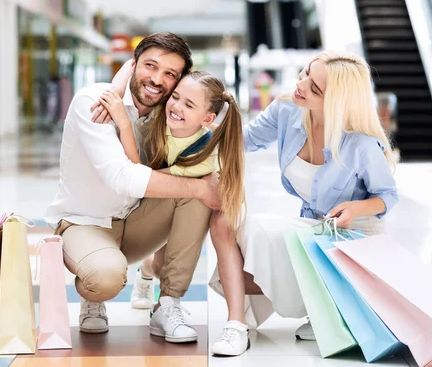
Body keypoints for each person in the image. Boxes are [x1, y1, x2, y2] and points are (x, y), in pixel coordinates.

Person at [207, 50, 399, 356]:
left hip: (355, 236)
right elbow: (243, 140)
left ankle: (335, 309)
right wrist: (191, 129)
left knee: (254, 229)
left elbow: (387, 196)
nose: (302, 84)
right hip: (316, 230)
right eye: (307, 72)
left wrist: (355, 208)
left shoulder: (360, 143)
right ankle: (239, 324)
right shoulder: (287, 110)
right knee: (229, 224)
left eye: (315, 88)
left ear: (336, 102)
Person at [44, 32, 221, 344]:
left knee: (196, 193)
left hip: (137, 221)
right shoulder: (94, 101)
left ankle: (168, 304)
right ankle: (93, 296)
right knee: (105, 278)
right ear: (133, 64)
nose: (157, 79)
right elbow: (122, 176)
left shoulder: (168, 112)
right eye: (150, 66)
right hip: (85, 223)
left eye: (170, 74)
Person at [97, 70, 245, 313]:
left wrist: (123, 122)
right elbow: (135, 64)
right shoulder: (156, 120)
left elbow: (142, 175)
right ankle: (147, 273)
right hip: (130, 204)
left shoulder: (205, 155)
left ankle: (159, 291)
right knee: (160, 258)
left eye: (189, 104)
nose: (176, 107)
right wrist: (115, 88)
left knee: (162, 263)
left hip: (155, 199)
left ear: (207, 119)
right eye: (175, 97)